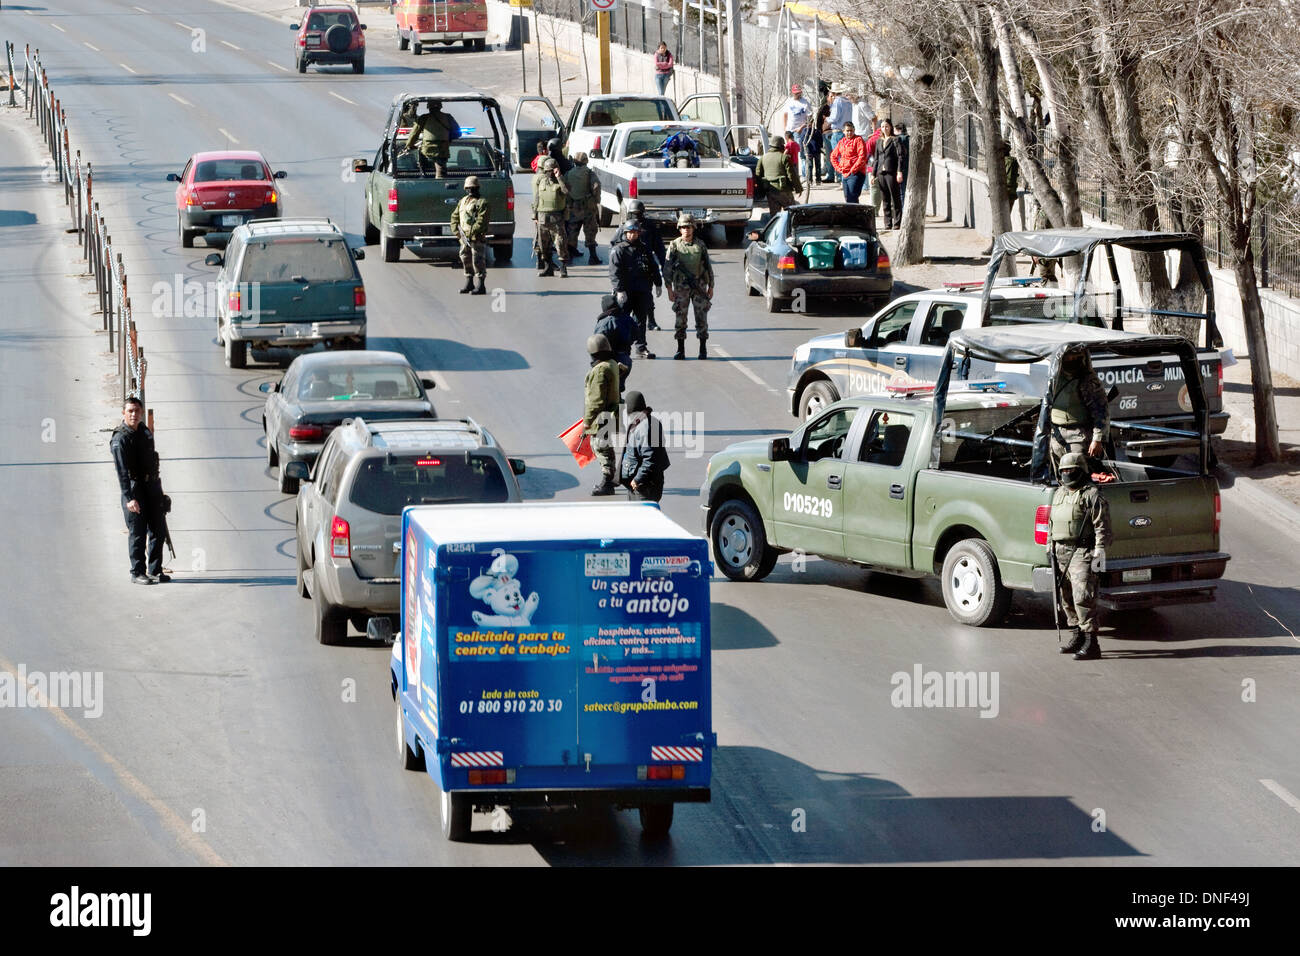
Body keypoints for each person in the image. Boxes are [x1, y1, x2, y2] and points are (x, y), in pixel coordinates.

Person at [1048, 452, 1112, 660]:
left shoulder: (1091, 494)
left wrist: (1100, 551)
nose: (1066, 473)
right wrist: (1049, 547)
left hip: (1082, 553)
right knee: (1065, 597)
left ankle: (1091, 643)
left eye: (1071, 470)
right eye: (1063, 470)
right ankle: (1076, 636)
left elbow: (1102, 526)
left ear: (1081, 470)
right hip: (1060, 552)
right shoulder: (1059, 493)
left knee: (1083, 596)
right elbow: (1051, 523)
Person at [110, 396, 169, 585]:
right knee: (138, 532)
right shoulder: (120, 438)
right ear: (124, 413)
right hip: (134, 488)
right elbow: (122, 472)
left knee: (158, 529)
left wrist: (160, 490)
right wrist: (129, 498)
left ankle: (155, 569)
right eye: (130, 411)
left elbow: (152, 462)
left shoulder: (144, 431)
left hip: (151, 486)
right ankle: (137, 572)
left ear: (141, 412)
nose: (134, 414)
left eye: (137, 411)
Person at [1047, 345, 1110, 472]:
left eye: (1077, 356)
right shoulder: (1054, 378)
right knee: (1062, 477)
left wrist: (1097, 439)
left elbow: (1101, 411)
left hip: (1078, 436)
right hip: (1056, 436)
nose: (1073, 359)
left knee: (1079, 475)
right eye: (1069, 356)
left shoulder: (1088, 381)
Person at [609, 219, 662, 358]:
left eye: (635, 232)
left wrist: (658, 283)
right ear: (625, 233)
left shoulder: (644, 248)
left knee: (641, 321)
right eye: (630, 232)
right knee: (623, 321)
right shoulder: (618, 250)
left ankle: (641, 347)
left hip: (642, 290)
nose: (633, 235)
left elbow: (653, 267)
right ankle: (622, 349)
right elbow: (615, 272)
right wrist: (619, 290)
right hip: (625, 292)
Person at [664, 214, 714, 360]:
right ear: (680, 229)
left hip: (699, 286)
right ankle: (681, 349)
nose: (686, 230)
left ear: (693, 228)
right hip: (680, 287)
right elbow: (667, 269)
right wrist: (669, 289)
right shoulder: (674, 245)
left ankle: (703, 349)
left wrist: (711, 286)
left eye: (689, 227)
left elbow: (708, 266)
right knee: (680, 318)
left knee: (701, 317)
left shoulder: (700, 245)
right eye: (684, 227)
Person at [613, 200, 667, 332]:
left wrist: (663, 266)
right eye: (634, 214)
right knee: (625, 302)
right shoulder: (625, 227)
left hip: (644, 266)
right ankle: (625, 325)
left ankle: (651, 322)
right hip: (627, 270)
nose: (636, 216)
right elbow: (613, 246)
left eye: (639, 213)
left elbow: (659, 247)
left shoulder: (650, 227)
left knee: (647, 297)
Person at [584, 333, 623, 496]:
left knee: (600, 446)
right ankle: (610, 477)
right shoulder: (612, 363)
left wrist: (588, 420)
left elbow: (596, 399)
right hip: (612, 412)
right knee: (606, 446)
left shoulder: (600, 370)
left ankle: (607, 481)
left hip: (602, 416)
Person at [620, 391, 669, 502]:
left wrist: (637, 479)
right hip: (642, 484)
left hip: (644, 486)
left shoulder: (645, 427)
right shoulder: (643, 422)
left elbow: (651, 458)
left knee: (643, 516)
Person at [450, 175, 489, 295]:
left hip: (476, 238)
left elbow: (482, 221)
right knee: (465, 258)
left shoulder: (482, 202)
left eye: (473, 188)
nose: (471, 190)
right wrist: (457, 232)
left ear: (477, 188)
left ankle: (481, 285)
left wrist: (471, 233)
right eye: (468, 188)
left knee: (478, 260)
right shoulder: (463, 201)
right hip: (464, 238)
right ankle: (469, 282)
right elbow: (454, 216)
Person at [531, 157, 570, 277]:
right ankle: (548, 267)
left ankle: (563, 268)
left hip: (556, 218)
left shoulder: (561, 181)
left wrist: (559, 177)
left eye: (552, 171)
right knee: (543, 245)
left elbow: (566, 192)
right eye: (547, 171)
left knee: (560, 243)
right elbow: (537, 197)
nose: (549, 173)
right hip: (542, 217)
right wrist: (535, 214)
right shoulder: (542, 181)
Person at [563, 151, 602, 265]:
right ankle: (593, 257)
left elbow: (564, 188)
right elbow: (596, 186)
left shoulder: (568, 173)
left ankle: (569, 256)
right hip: (588, 208)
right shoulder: (589, 173)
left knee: (572, 232)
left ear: (574, 161)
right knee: (590, 232)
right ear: (586, 161)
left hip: (573, 208)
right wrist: (595, 199)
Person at [404, 100, 459, 178]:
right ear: (440, 107)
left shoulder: (424, 118)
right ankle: (439, 182)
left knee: (421, 162)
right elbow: (458, 133)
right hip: (442, 148)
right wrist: (447, 139)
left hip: (427, 149)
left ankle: (424, 176)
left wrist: (409, 145)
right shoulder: (448, 117)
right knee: (441, 170)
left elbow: (414, 134)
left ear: (429, 108)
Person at [593, 293, 638, 390]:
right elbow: (636, 333)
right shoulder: (628, 318)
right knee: (617, 389)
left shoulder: (604, 324)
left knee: (606, 391)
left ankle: (613, 402)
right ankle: (620, 402)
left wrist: (594, 364)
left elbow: (596, 344)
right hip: (625, 360)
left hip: (608, 362)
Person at [871, 119, 905, 230]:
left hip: (891, 172)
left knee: (895, 198)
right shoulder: (879, 141)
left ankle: (897, 222)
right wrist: (873, 174)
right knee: (885, 198)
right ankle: (887, 222)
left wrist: (899, 171)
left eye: (886, 126)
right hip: (881, 173)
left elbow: (900, 157)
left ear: (890, 127)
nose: (884, 128)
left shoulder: (895, 140)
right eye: (882, 126)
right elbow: (876, 159)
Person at [757, 136, 801, 216]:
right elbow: (792, 175)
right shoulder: (784, 158)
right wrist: (798, 189)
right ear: (781, 146)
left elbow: (758, 174)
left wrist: (761, 190)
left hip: (770, 192)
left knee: (775, 216)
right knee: (792, 215)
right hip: (784, 191)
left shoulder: (763, 158)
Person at [830, 121, 868, 203]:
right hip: (845, 173)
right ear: (843, 131)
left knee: (852, 198)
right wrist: (838, 168)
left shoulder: (858, 140)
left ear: (854, 130)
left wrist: (853, 169)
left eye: (851, 130)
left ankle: (856, 215)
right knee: (847, 198)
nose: (849, 132)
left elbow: (862, 157)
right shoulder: (841, 142)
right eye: (847, 131)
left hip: (856, 173)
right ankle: (854, 215)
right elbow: (833, 156)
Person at [825, 82, 853, 184]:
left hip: (837, 131)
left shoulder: (838, 101)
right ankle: (845, 177)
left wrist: (827, 119)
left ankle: (841, 178)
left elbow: (834, 117)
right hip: (846, 130)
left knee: (837, 156)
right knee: (845, 155)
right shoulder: (848, 101)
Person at [895, 122, 911, 206]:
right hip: (909, 167)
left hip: (901, 167)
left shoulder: (899, 139)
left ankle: (902, 208)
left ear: (898, 130)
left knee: (901, 191)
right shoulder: (909, 138)